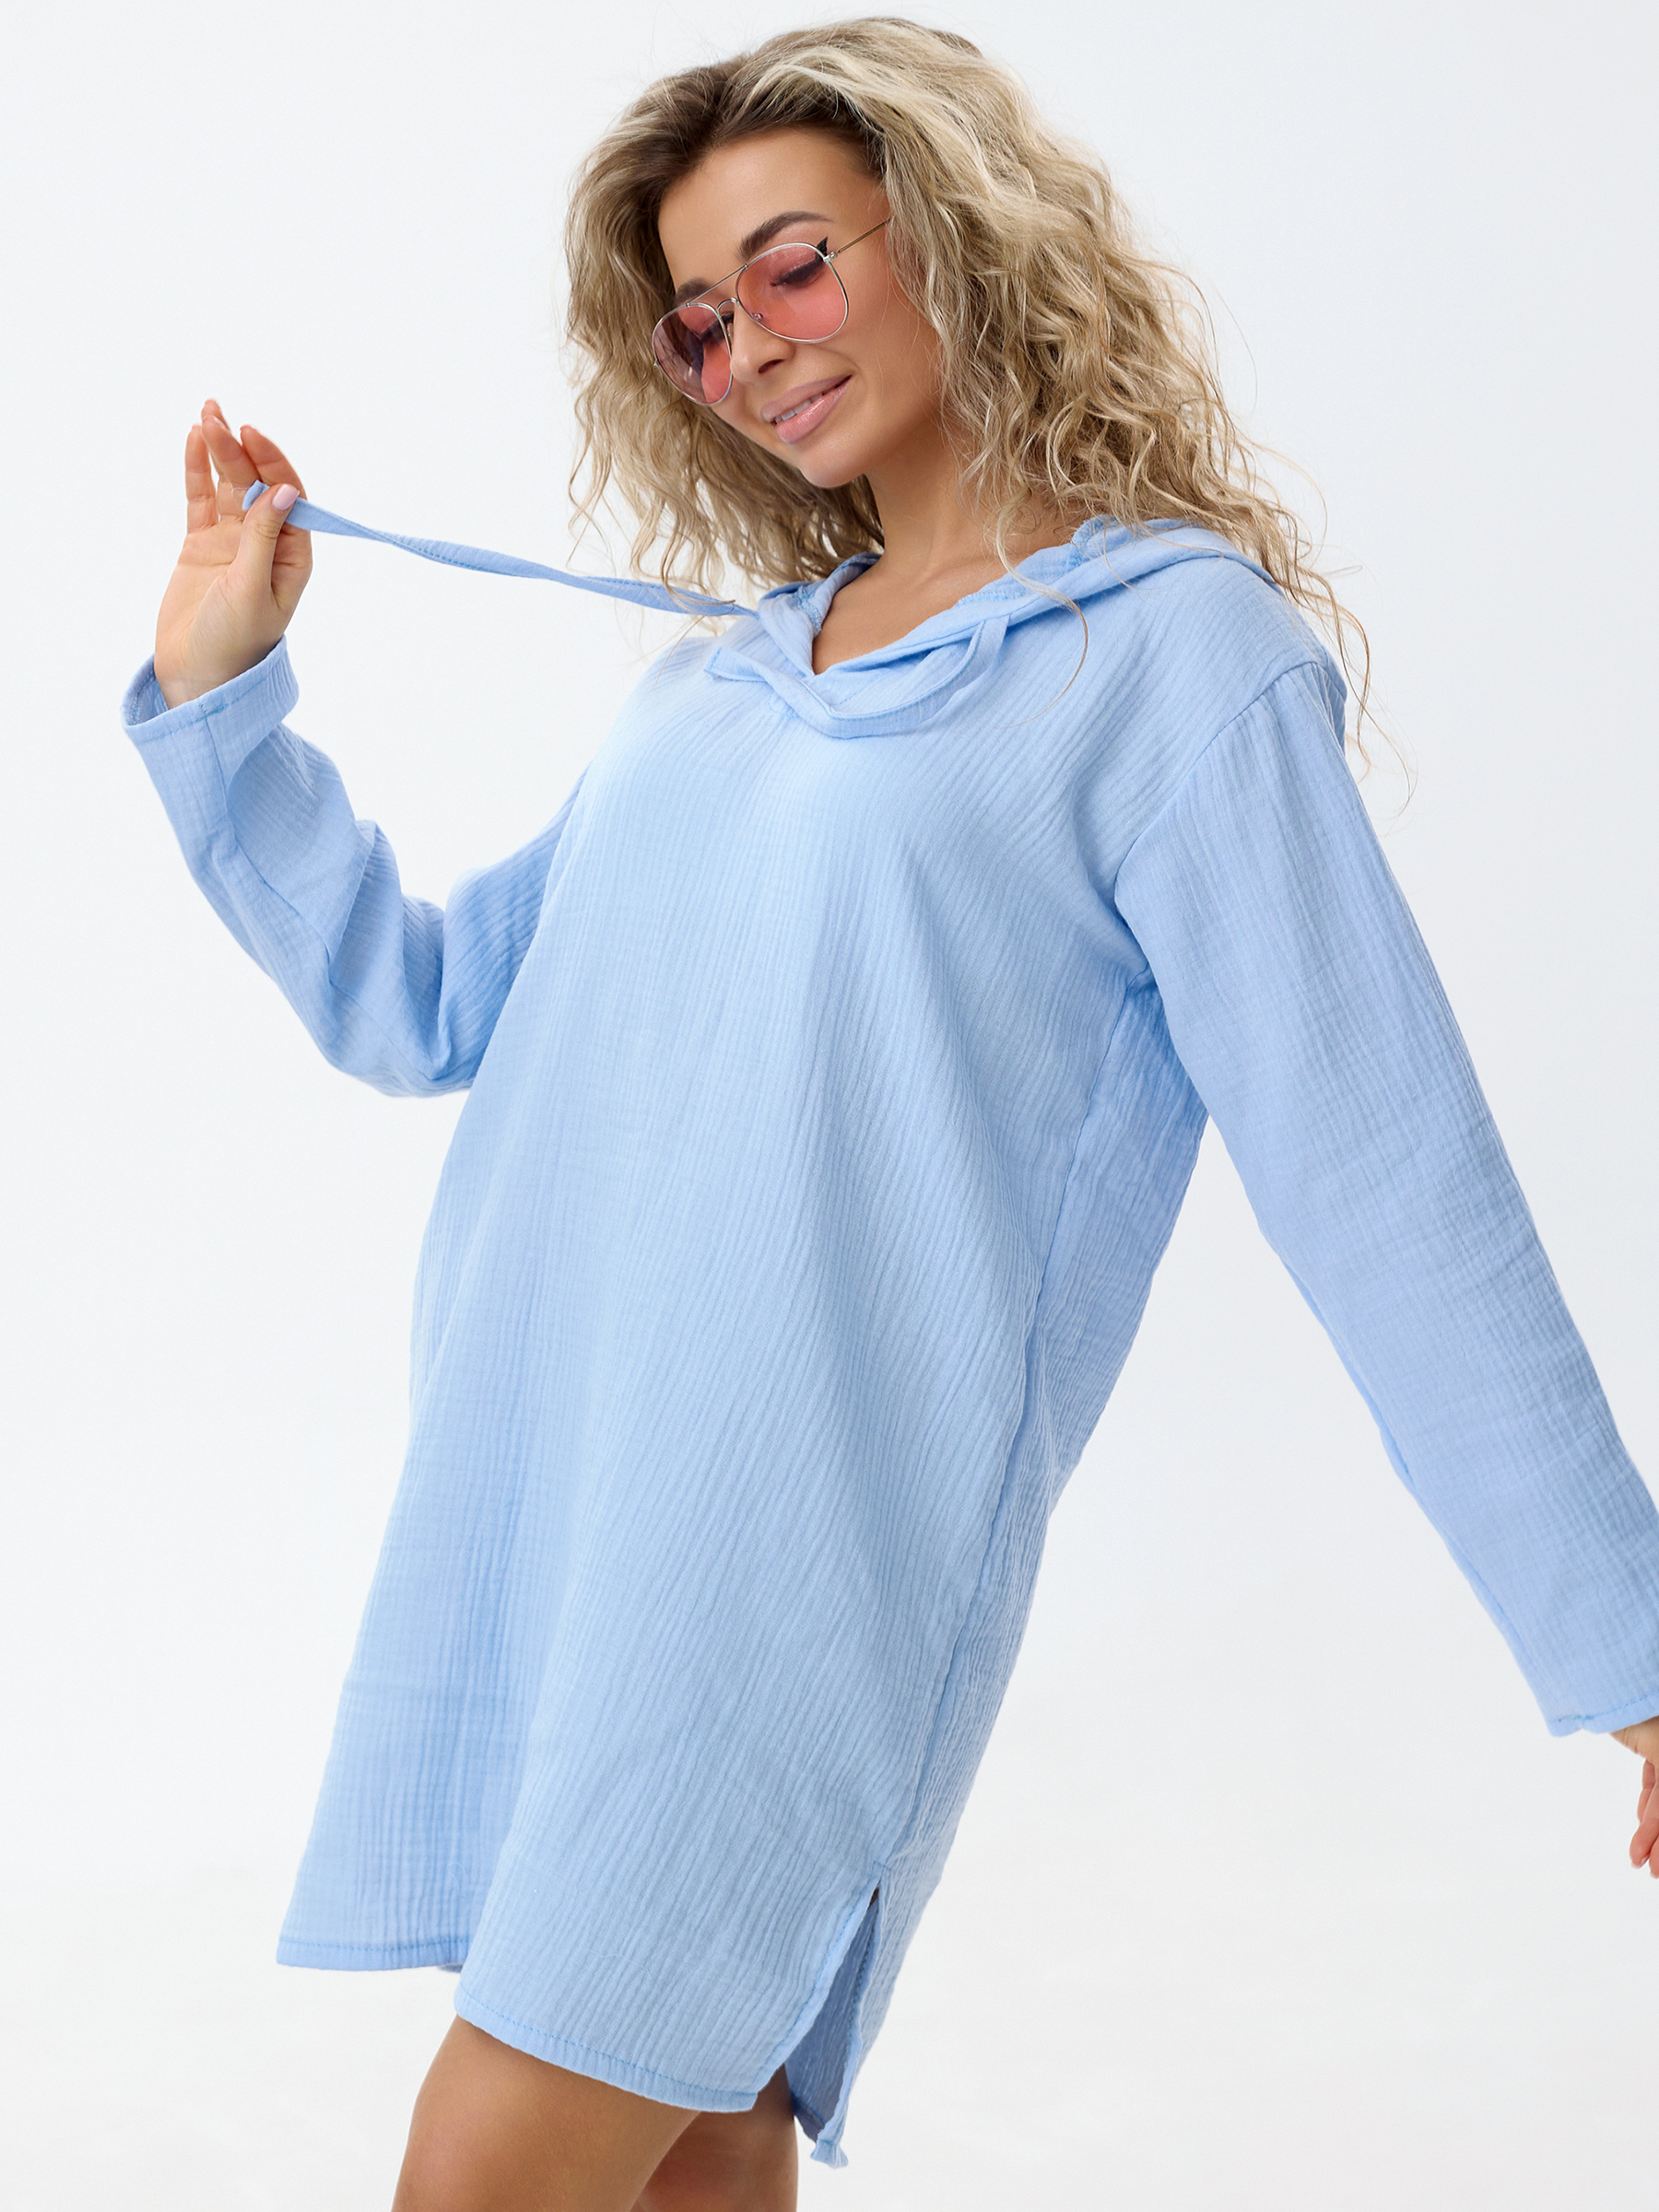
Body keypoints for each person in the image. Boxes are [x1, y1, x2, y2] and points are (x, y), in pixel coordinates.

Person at [122, 18, 1659, 2211]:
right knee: (687, 2157)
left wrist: (1628, 1643)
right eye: (699, 317)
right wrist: (224, 701)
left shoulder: (1169, 659)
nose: (747, 344)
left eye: (793, 265)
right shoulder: (727, 681)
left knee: (487, 2170)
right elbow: (427, 1004)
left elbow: (1386, 1174)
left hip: (791, 1577)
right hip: (558, 1510)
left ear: (948, 233)